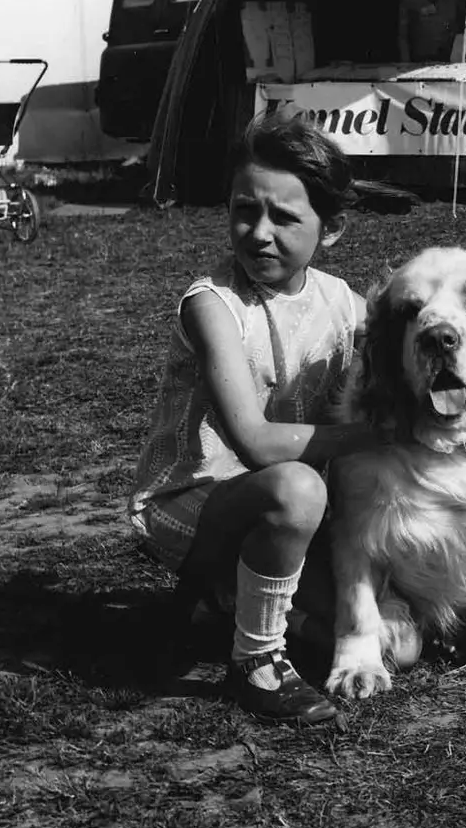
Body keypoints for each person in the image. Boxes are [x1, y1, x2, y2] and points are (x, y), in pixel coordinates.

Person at [127, 111, 373, 725]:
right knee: (297, 486)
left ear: (332, 229)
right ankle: (256, 662)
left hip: (290, 507)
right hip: (195, 499)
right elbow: (257, 443)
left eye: (284, 218)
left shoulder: (344, 304)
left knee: (389, 641)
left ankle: (226, 602)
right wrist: (377, 435)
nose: (259, 233)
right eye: (244, 210)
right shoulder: (213, 305)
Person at [398, 0, 465, 64]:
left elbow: (463, 19)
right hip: (420, 57)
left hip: (450, 55)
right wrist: (405, 60)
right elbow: (402, 32)